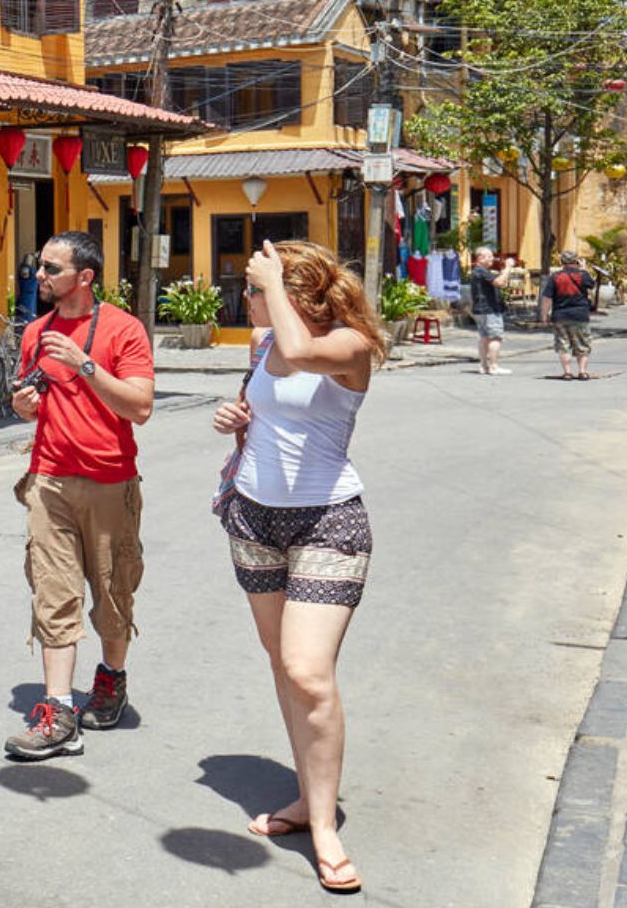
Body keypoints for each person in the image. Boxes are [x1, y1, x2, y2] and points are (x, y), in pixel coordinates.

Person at [211, 240, 384, 895]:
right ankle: (307, 800)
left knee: (310, 673)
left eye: (254, 289)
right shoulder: (261, 345)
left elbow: (306, 355)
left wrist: (272, 284)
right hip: (255, 519)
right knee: (284, 666)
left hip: (327, 521)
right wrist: (235, 421)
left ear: (295, 293)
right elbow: (263, 416)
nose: (248, 300)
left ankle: (326, 829)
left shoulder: (350, 345)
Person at [3, 231, 155, 761]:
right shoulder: (36, 332)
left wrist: (85, 364)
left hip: (111, 481)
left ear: (84, 278)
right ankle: (59, 711)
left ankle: (111, 677)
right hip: (48, 480)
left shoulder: (123, 330)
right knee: (53, 592)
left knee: (113, 594)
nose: (38, 276)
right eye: (38, 266)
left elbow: (139, 406)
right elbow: (36, 398)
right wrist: (26, 406)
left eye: (50, 268)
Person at [540, 250, 596, 380]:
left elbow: (547, 298)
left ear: (562, 262)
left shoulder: (555, 277)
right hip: (580, 315)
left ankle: (567, 372)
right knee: (583, 344)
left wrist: (544, 315)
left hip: (560, 315)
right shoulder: (582, 275)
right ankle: (582, 372)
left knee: (563, 345)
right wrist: (583, 269)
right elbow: (591, 285)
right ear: (576, 261)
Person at [468, 246, 511, 375]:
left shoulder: (479, 271)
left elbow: (500, 282)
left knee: (484, 337)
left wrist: (503, 274)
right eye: (488, 256)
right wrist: (508, 268)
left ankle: (484, 366)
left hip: (481, 309)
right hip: (489, 308)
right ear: (480, 258)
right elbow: (498, 282)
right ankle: (493, 366)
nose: (492, 258)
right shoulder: (481, 270)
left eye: (492, 256)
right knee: (495, 337)